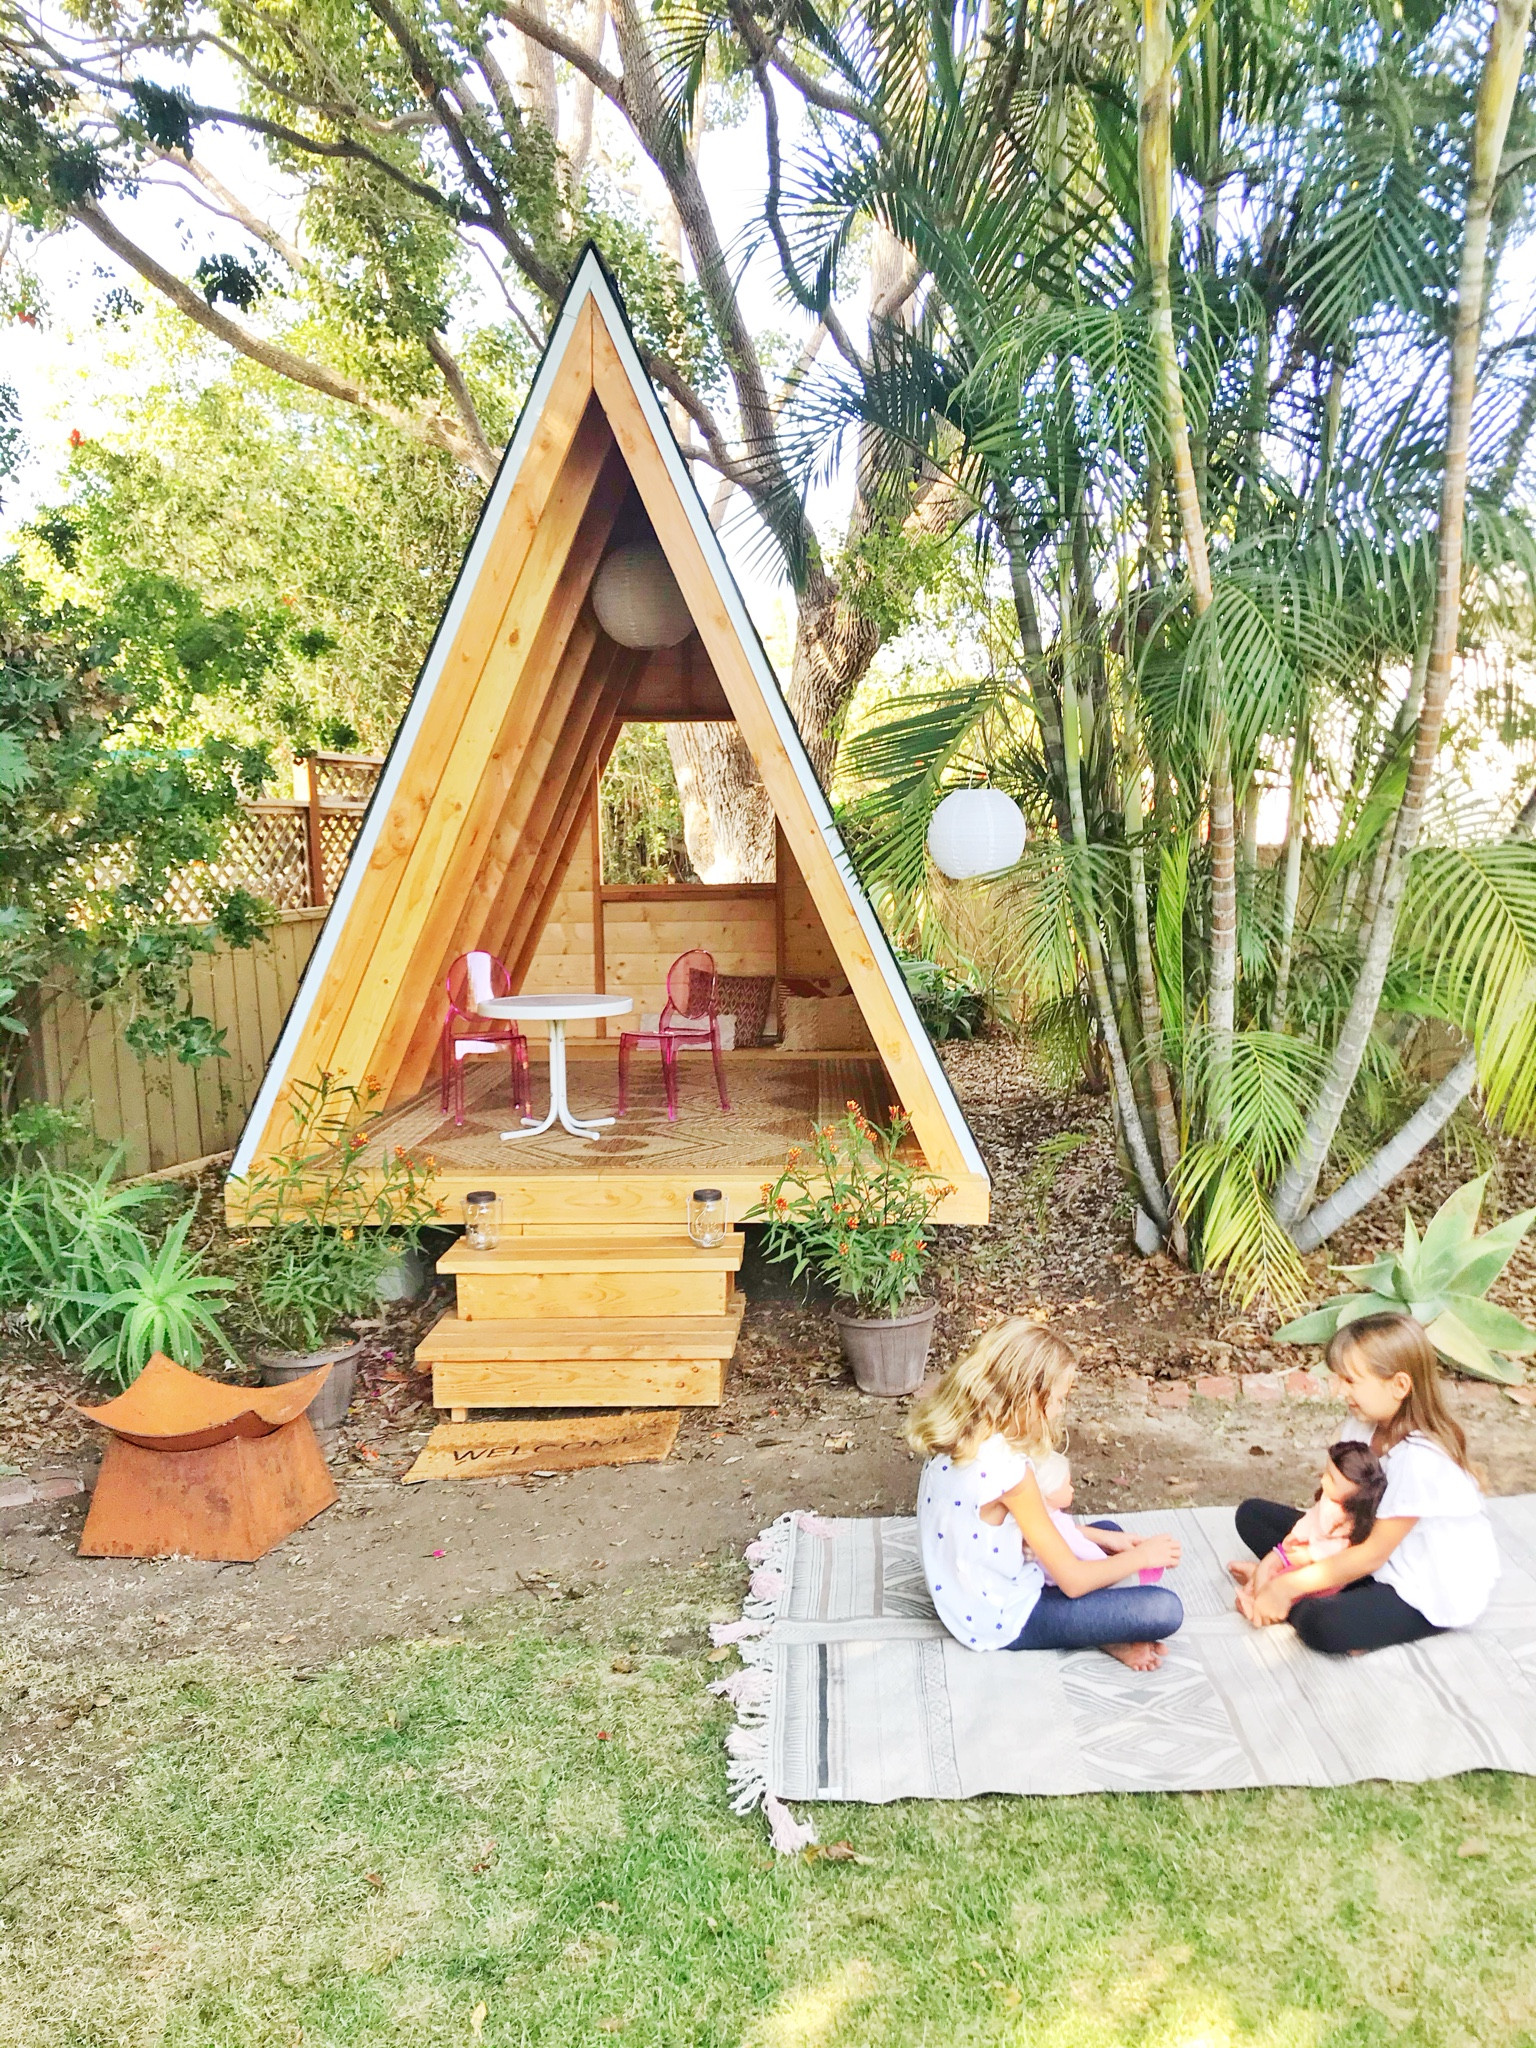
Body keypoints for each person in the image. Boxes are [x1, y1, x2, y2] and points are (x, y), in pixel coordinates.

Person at [908, 1319, 1184, 1671]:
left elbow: (1019, 1528)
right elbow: (1073, 1581)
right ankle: (1099, 1633)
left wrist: (1100, 1537)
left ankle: (1099, 1622)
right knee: (1163, 1609)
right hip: (1000, 1616)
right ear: (1027, 1397)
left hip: (959, 1593)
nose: (1058, 1411)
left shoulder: (954, 1439)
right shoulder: (1010, 1473)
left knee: (1109, 1533)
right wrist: (1143, 1557)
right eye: (1057, 1400)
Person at [1231, 1313, 1499, 1654]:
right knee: (1252, 1515)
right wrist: (1277, 1559)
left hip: (1419, 1585)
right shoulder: (1363, 1426)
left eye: (1351, 1380)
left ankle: (1294, 1601)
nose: (1340, 1390)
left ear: (1399, 1385)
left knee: (1323, 1625)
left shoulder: (1421, 1460)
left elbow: (1373, 1555)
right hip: (1358, 1545)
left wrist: (1286, 1587)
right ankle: (1303, 1592)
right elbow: (1329, 1508)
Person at [1232, 1440, 1385, 1622]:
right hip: (1308, 1544)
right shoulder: (1329, 1500)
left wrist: (1310, 1554)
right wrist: (1296, 1536)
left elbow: (1341, 1548)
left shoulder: (1349, 1519)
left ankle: (1261, 1601)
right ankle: (1261, 1578)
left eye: (1330, 1478)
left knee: (1297, 1588)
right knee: (1253, 1518)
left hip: (1326, 1565)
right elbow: (1312, 1517)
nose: (1322, 1479)